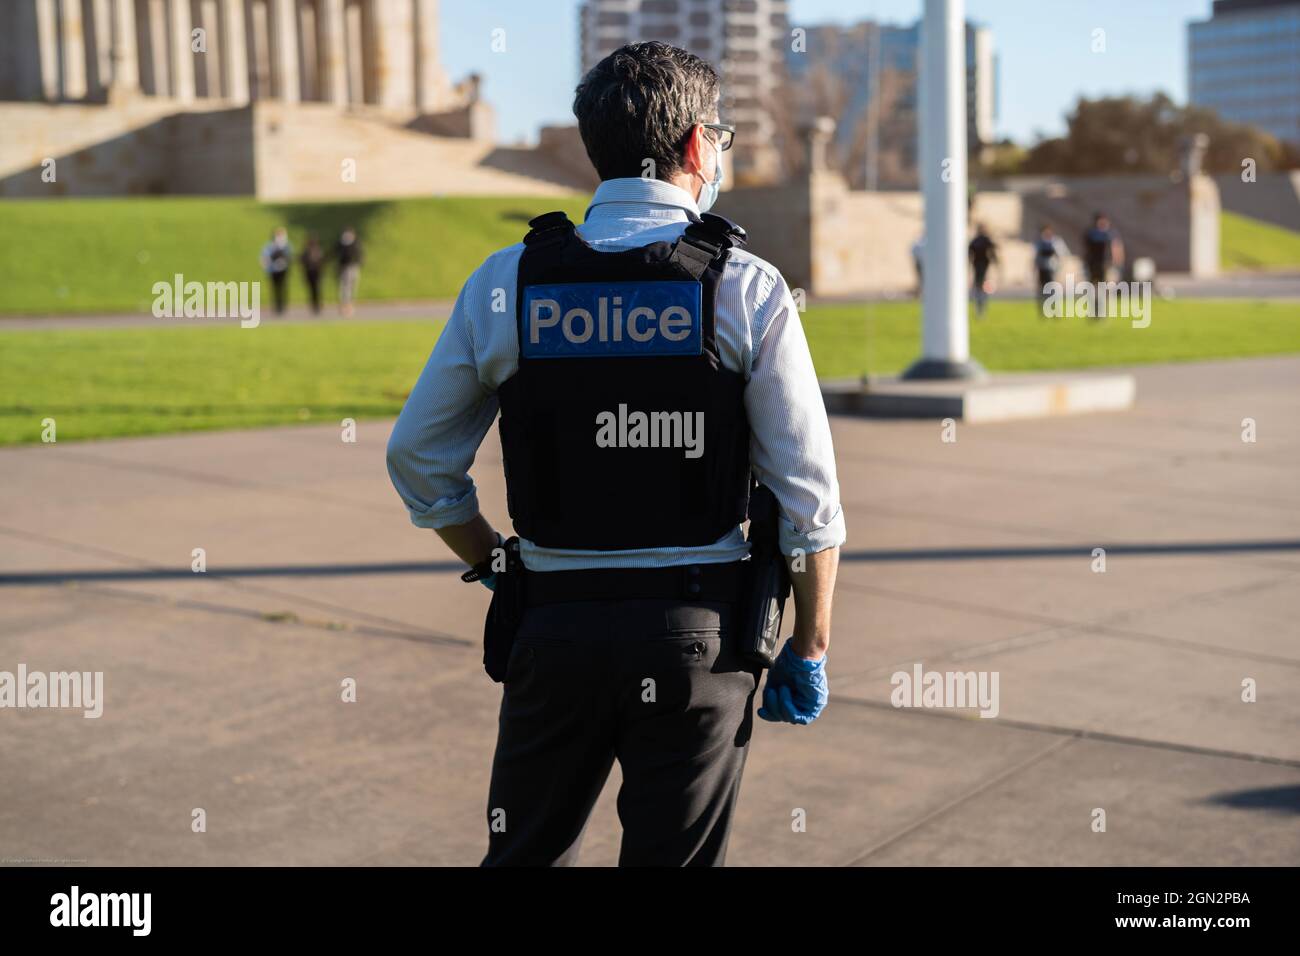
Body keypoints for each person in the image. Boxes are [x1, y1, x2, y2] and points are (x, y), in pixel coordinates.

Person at [386, 41, 845, 867]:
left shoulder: (508, 283)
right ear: (700, 147)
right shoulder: (743, 284)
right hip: (697, 633)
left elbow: (419, 458)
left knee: (521, 855)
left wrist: (493, 560)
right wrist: (808, 647)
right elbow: (808, 501)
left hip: (553, 626)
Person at [1082, 213, 1124, 319]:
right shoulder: (1092, 233)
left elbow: (1116, 248)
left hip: (1106, 265)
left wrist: (1117, 262)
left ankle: (1101, 311)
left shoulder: (1110, 234)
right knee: (1093, 288)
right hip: (1094, 265)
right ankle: (1094, 310)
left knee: (1105, 289)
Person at [1033, 223, 1069, 318]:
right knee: (1042, 291)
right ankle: (1043, 311)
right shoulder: (1039, 243)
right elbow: (1036, 257)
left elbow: (1062, 255)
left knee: (1053, 290)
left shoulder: (1056, 242)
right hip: (1042, 269)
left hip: (1053, 269)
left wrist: (1059, 266)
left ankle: (1055, 310)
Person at [259, 227, 293, 316]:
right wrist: (266, 265)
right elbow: (264, 258)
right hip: (273, 270)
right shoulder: (269, 246)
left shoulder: (286, 246)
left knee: (282, 288)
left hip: (283, 270)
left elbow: (290, 257)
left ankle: (282, 306)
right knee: (275, 288)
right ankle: (277, 306)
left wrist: (285, 263)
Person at [967, 223, 998, 318]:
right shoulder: (980, 240)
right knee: (980, 287)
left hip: (982, 267)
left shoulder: (979, 240)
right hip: (979, 267)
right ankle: (980, 309)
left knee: (980, 287)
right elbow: (993, 250)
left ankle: (981, 309)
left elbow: (992, 250)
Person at [335, 227, 363, 316]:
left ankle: (349, 306)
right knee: (346, 288)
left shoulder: (355, 243)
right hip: (346, 268)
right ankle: (345, 307)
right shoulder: (343, 244)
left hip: (353, 267)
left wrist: (360, 262)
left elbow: (359, 254)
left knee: (351, 288)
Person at [300, 233, 325, 315]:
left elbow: (322, 262)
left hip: (316, 273)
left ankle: (317, 305)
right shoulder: (306, 251)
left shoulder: (318, 250)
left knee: (317, 289)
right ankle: (314, 305)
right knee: (312, 290)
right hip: (309, 273)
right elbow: (301, 260)